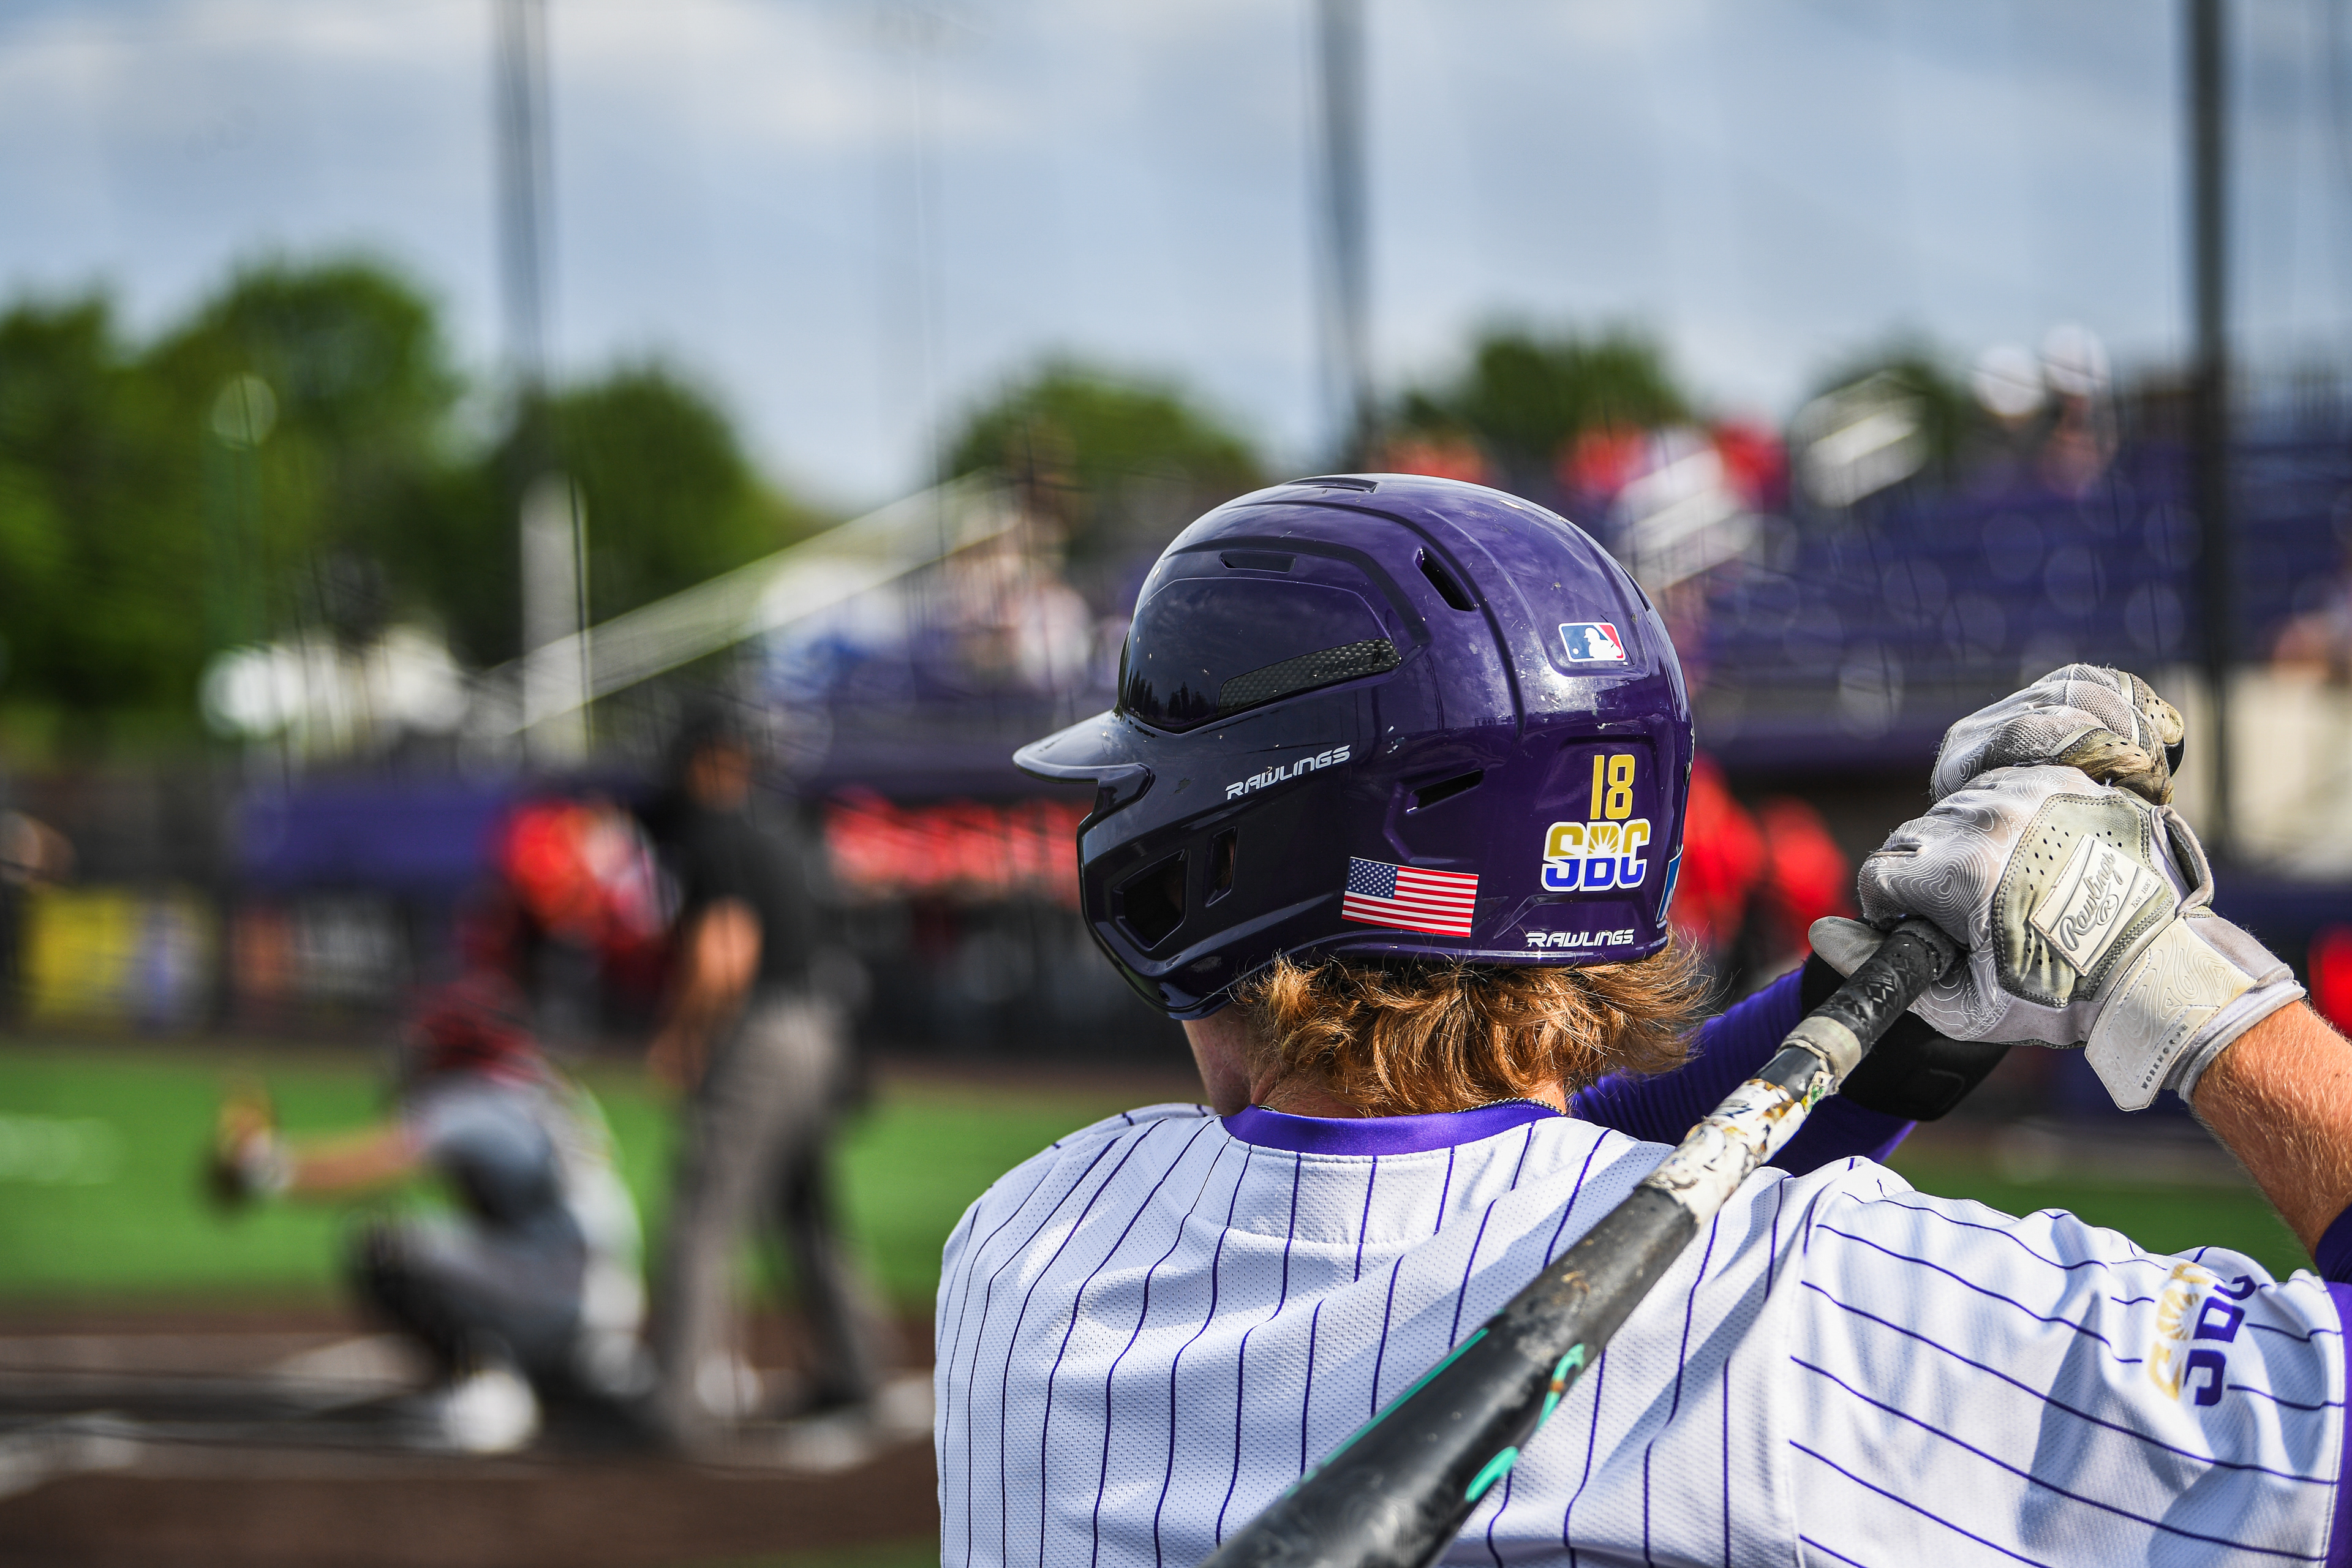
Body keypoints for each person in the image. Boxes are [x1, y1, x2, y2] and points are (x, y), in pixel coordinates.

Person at [938, 473, 2345, 1566]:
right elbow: (1552, 1185)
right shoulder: (1824, 1308)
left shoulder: (1029, 1247)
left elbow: (1512, 1193)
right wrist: (2161, 971)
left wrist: (1891, 1023)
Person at [211, 970, 647, 1454]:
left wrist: (263, 1167)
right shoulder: (547, 1089)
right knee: (483, 1238)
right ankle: (585, 1369)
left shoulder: (476, 1096)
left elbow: (378, 1160)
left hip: (552, 1288)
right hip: (605, 1291)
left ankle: (487, 1388)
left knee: (384, 1244)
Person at [641, 704, 895, 1453]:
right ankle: (858, 1369)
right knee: (806, 1210)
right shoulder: (784, 830)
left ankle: (676, 1401)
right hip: (822, 1031)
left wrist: (682, 1035)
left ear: (710, 761)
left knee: (704, 1212)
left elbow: (727, 947)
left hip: (762, 1032)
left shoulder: (714, 833)